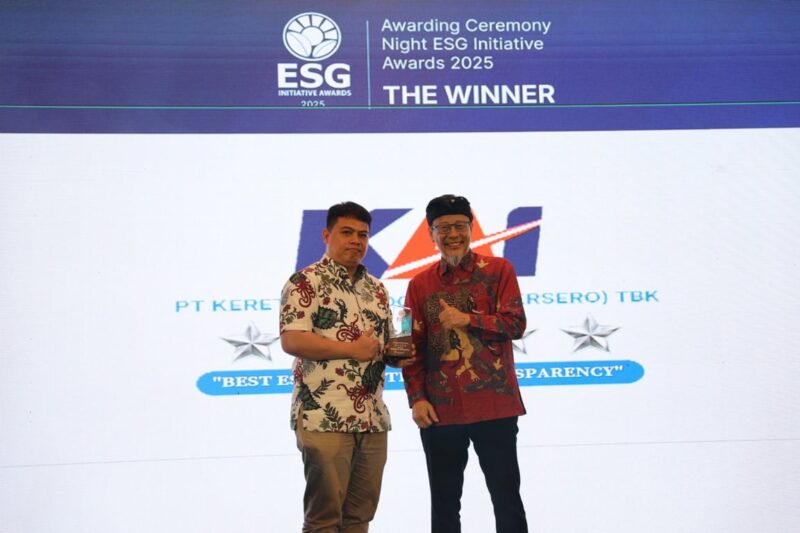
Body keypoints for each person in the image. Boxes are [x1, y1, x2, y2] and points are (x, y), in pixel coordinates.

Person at [280, 201, 412, 533]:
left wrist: (396, 354)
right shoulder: (305, 281)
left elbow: (380, 345)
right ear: (327, 235)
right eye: (347, 232)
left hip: (372, 417)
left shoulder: (377, 289)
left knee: (359, 517)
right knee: (324, 519)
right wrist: (352, 349)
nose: (356, 240)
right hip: (324, 415)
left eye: (363, 235)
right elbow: (292, 340)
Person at [403, 194, 529, 533]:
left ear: (471, 228)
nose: (453, 234)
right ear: (431, 234)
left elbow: (516, 324)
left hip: (495, 405)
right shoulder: (419, 285)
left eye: (460, 226)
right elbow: (411, 347)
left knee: (507, 499)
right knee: (444, 505)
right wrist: (417, 398)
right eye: (443, 228)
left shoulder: (500, 271)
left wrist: (468, 319)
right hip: (440, 410)